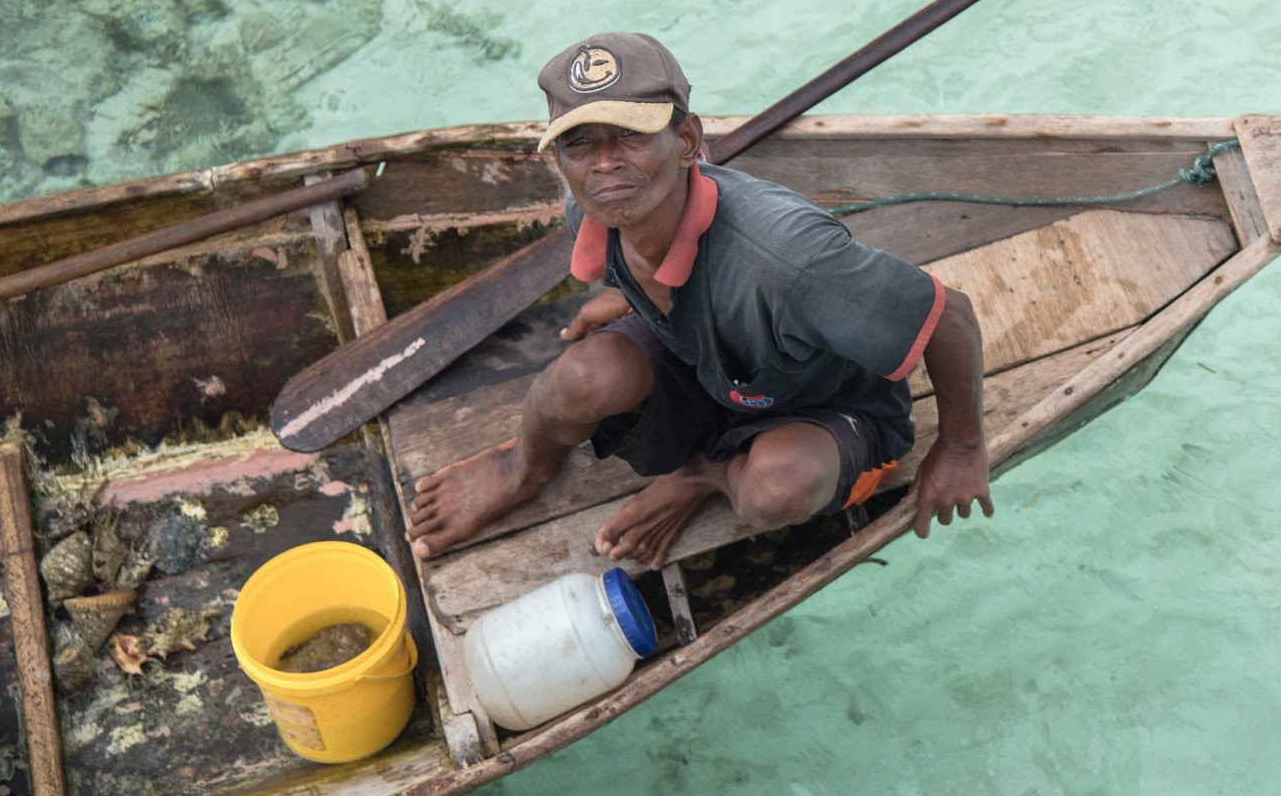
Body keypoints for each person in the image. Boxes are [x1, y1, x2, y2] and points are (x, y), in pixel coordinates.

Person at [405, 31, 991, 568]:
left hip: (824, 403)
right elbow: (665, 261)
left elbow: (950, 316)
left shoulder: (791, 260)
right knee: (578, 379)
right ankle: (521, 467)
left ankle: (703, 475)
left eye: (631, 135)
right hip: (708, 370)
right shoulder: (593, 203)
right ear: (560, 160)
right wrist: (634, 299)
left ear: (687, 141)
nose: (605, 164)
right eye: (579, 144)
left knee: (775, 491)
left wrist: (963, 446)